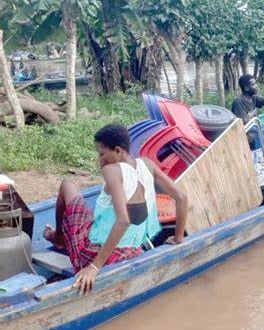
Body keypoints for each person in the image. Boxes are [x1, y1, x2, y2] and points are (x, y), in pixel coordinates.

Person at [44, 124, 188, 294]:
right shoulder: (147, 165)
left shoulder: (112, 171)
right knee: (97, 218)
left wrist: (94, 267)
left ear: (118, 151)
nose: (100, 160)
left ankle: (59, 237)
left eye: (102, 154)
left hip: (96, 255)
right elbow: (181, 197)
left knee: (67, 185)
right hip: (133, 250)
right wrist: (178, 238)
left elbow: (123, 220)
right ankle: (60, 237)